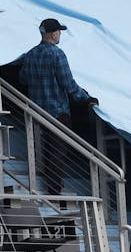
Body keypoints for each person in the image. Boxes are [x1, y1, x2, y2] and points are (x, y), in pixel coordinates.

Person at [18, 17, 99, 193]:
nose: (60, 34)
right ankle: (55, 190)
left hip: (38, 111)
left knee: (47, 148)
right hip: (57, 111)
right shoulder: (57, 54)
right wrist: (85, 98)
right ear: (53, 34)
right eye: (59, 31)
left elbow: (22, 78)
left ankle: (50, 185)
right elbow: (68, 84)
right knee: (57, 151)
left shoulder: (30, 54)